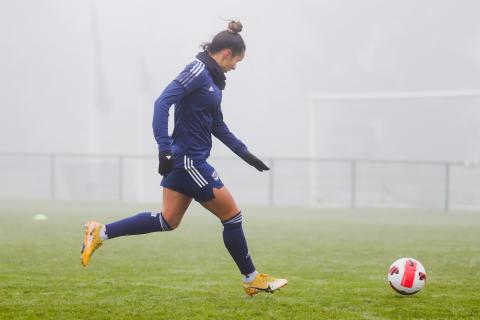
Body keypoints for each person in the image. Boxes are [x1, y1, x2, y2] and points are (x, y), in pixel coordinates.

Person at [80, 20, 287, 296]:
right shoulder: (197, 71)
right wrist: (163, 148)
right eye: (237, 61)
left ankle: (100, 232)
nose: (235, 67)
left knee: (168, 220)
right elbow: (161, 103)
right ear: (226, 53)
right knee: (232, 216)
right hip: (189, 161)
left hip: (186, 161)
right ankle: (251, 279)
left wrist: (245, 154)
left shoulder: (213, 81)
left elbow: (217, 126)